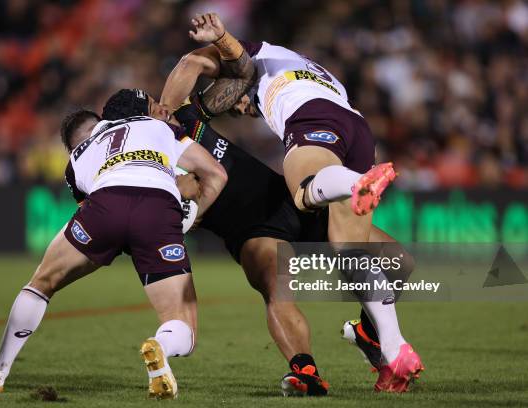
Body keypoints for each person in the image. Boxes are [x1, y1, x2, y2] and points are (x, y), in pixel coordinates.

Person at [161, 13, 423, 393]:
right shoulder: (158, 165)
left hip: (296, 178)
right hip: (258, 222)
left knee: (376, 247)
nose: (242, 111)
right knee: (306, 274)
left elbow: (199, 64)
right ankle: (335, 359)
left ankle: (373, 332)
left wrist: (166, 115)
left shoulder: (189, 118)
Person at [0, 94, 227, 400]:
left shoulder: (76, 158)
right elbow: (216, 174)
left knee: (41, 283)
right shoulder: (157, 127)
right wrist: (193, 215)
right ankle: (162, 346)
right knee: (182, 322)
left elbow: (92, 209)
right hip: (157, 212)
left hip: (106, 204)